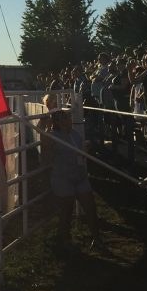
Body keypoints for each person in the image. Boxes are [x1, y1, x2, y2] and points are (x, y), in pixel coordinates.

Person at [43, 107, 102, 252]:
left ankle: (97, 238)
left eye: (68, 117)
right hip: (63, 178)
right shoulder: (52, 136)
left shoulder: (75, 135)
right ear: (59, 122)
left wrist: (85, 149)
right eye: (65, 118)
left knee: (90, 207)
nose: (69, 120)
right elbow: (45, 156)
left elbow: (80, 154)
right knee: (66, 210)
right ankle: (65, 239)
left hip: (79, 176)